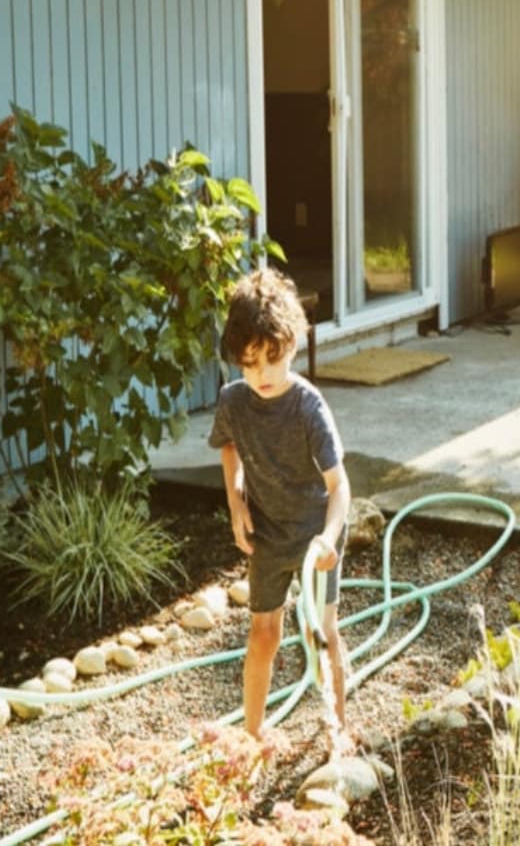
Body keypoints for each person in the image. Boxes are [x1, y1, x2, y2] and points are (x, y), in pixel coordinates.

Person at [210, 267, 354, 747]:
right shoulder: (233, 402)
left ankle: (339, 731)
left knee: (323, 632)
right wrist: (235, 500)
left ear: (291, 347)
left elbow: (340, 487)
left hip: (316, 533)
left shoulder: (308, 407)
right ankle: (252, 737)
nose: (262, 376)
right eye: (249, 364)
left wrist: (329, 539)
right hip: (267, 534)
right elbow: (227, 446)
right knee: (263, 634)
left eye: (271, 361)